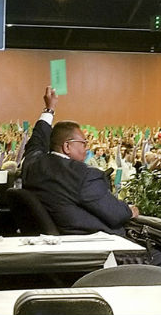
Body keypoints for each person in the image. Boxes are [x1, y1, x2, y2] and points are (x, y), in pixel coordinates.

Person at [22, 87, 137, 236]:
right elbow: (116, 214)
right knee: (160, 253)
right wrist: (130, 210)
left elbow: (36, 141)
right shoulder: (84, 175)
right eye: (83, 143)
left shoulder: (33, 164)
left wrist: (49, 109)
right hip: (97, 247)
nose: (86, 148)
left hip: (58, 241)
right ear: (67, 146)